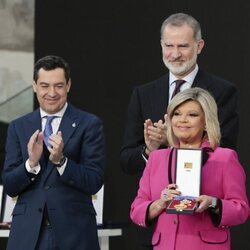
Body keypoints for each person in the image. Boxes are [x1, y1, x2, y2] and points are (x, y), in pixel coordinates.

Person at [2, 55, 105, 250]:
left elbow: (94, 181)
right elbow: (9, 185)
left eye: (58, 85)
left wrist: (61, 161)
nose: (51, 93)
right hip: (28, 234)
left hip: (75, 232)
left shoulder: (89, 124)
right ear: (34, 86)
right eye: (44, 86)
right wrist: (30, 164)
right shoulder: (18, 127)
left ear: (68, 85)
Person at [130, 87, 249, 250]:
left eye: (192, 115)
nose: (182, 120)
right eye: (177, 114)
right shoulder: (157, 158)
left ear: (206, 122)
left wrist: (213, 203)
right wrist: (160, 203)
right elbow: (136, 210)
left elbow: (241, 210)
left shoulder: (225, 158)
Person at [120, 13, 239, 175]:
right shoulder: (143, 94)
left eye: (183, 46)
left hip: (204, 193)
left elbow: (226, 151)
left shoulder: (222, 91)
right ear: (161, 45)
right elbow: (127, 162)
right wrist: (149, 149)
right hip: (157, 196)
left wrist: (172, 140)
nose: (175, 54)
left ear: (199, 46)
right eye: (169, 46)